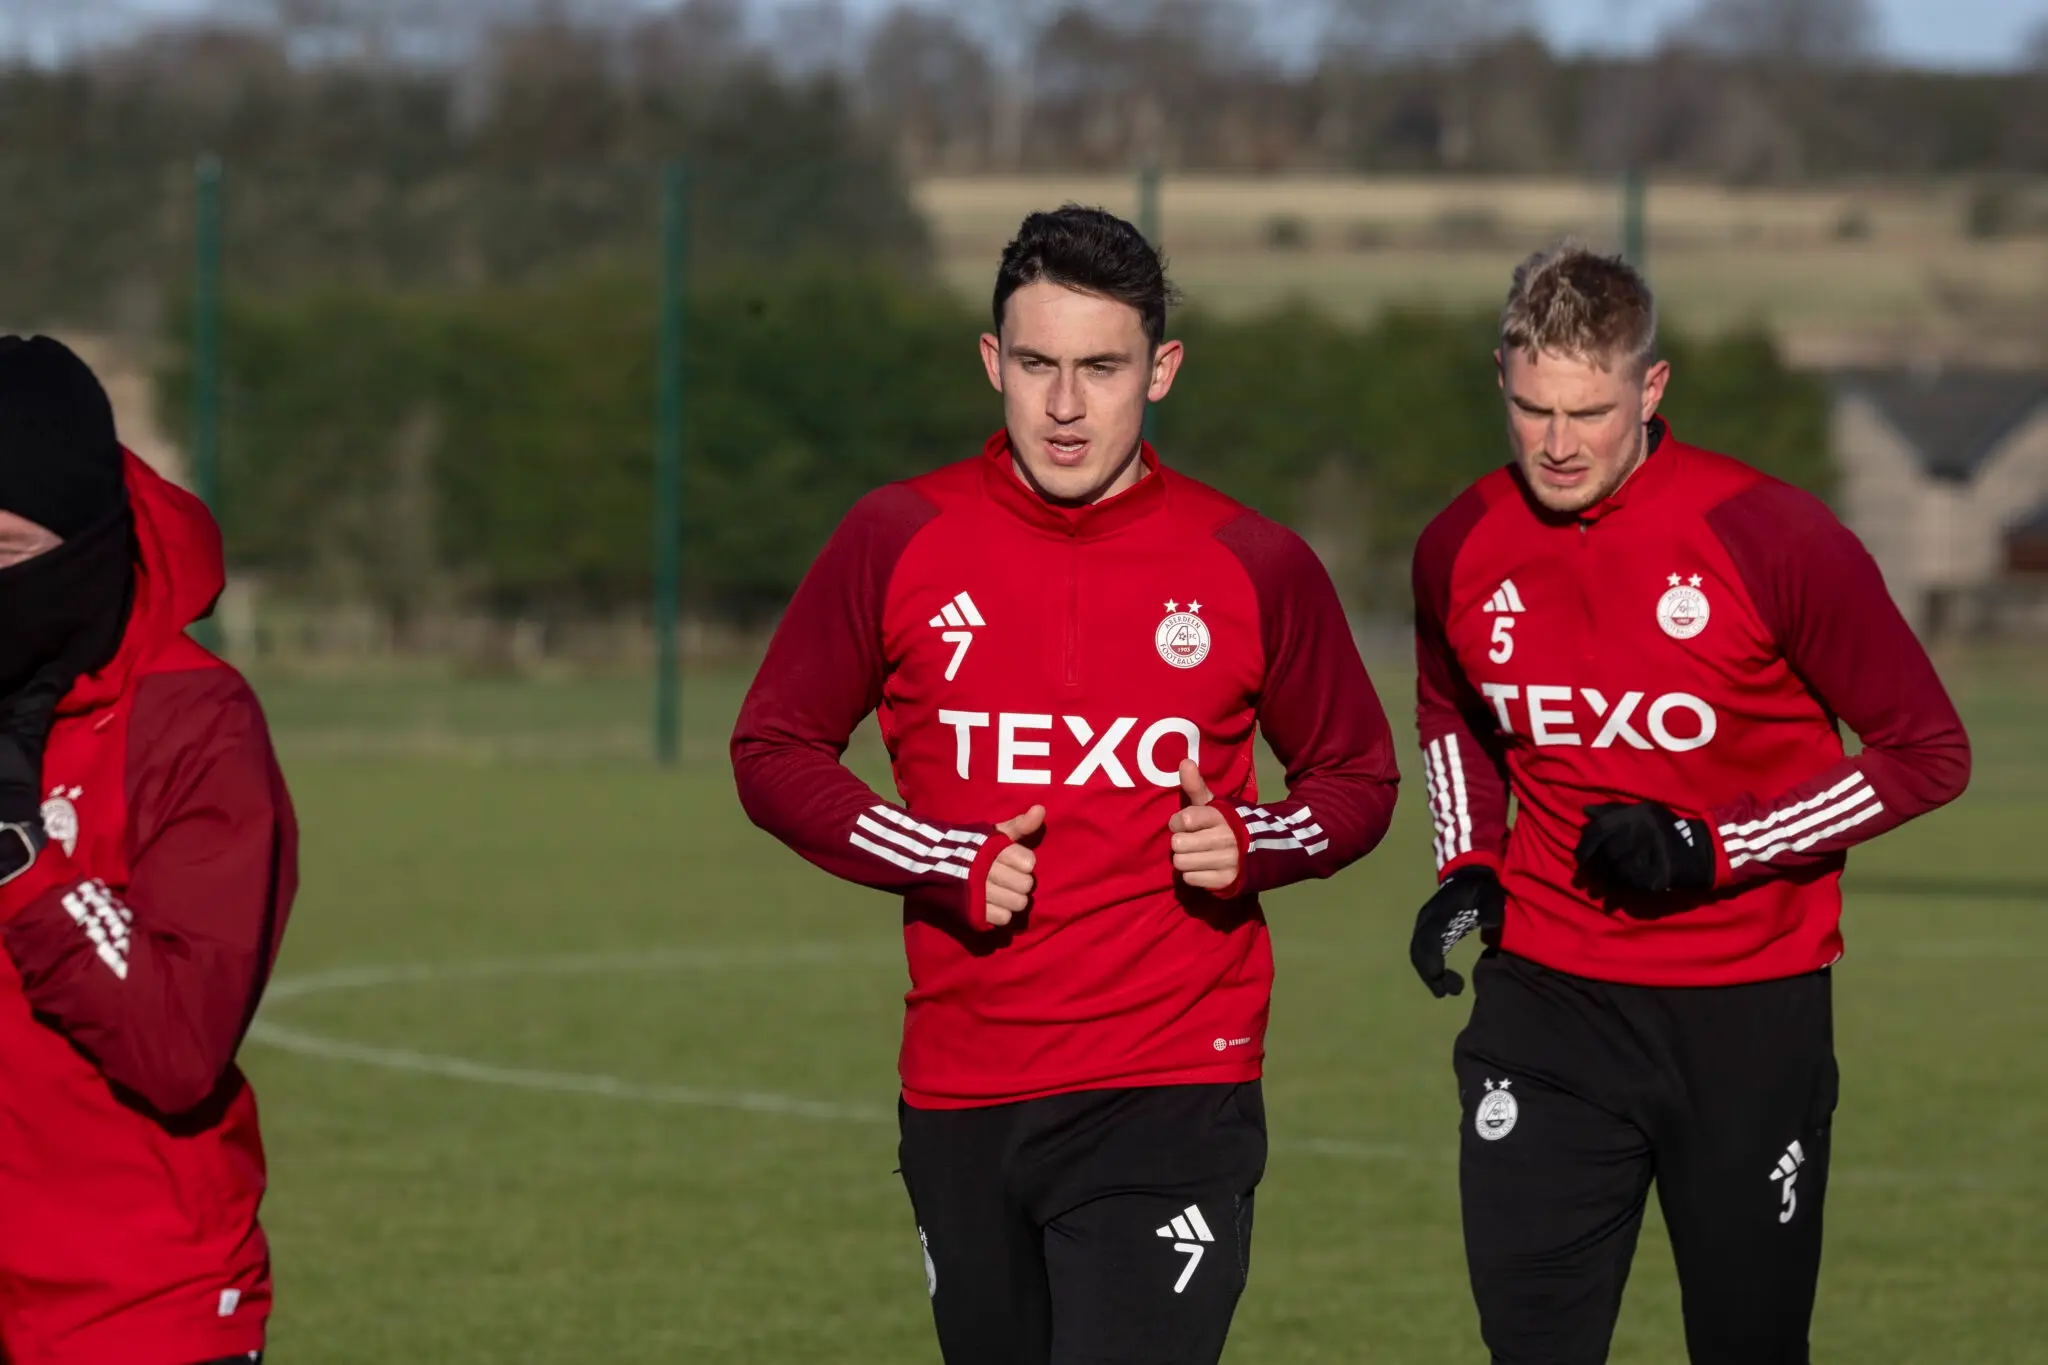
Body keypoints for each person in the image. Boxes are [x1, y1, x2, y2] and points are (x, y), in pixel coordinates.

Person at [732, 205, 1401, 1365]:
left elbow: (1357, 776)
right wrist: (942, 860)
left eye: (1101, 368)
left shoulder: (1252, 563)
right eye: (1035, 364)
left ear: (1162, 370)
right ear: (991, 361)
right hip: (963, 1085)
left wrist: (1258, 843)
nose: (1062, 404)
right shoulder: (895, 537)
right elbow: (773, 750)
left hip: (1171, 1084)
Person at [1407, 242, 1971, 1364]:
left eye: (1587, 412)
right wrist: (1467, 861)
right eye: (1529, 410)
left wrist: (1712, 847)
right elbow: (1449, 710)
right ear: (1499, 380)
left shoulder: (1770, 537)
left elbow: (1925, 751)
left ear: (1648, 388)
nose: (1556, 444)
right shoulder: (1458, 543)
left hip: (1745, 1013)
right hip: (1547, 1004)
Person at [0, 335, 298, 1365]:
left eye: (2, 554)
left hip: (134, 1312)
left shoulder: (192, 721)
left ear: (85, 541)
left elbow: (175, 1045)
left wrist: (23, 858)